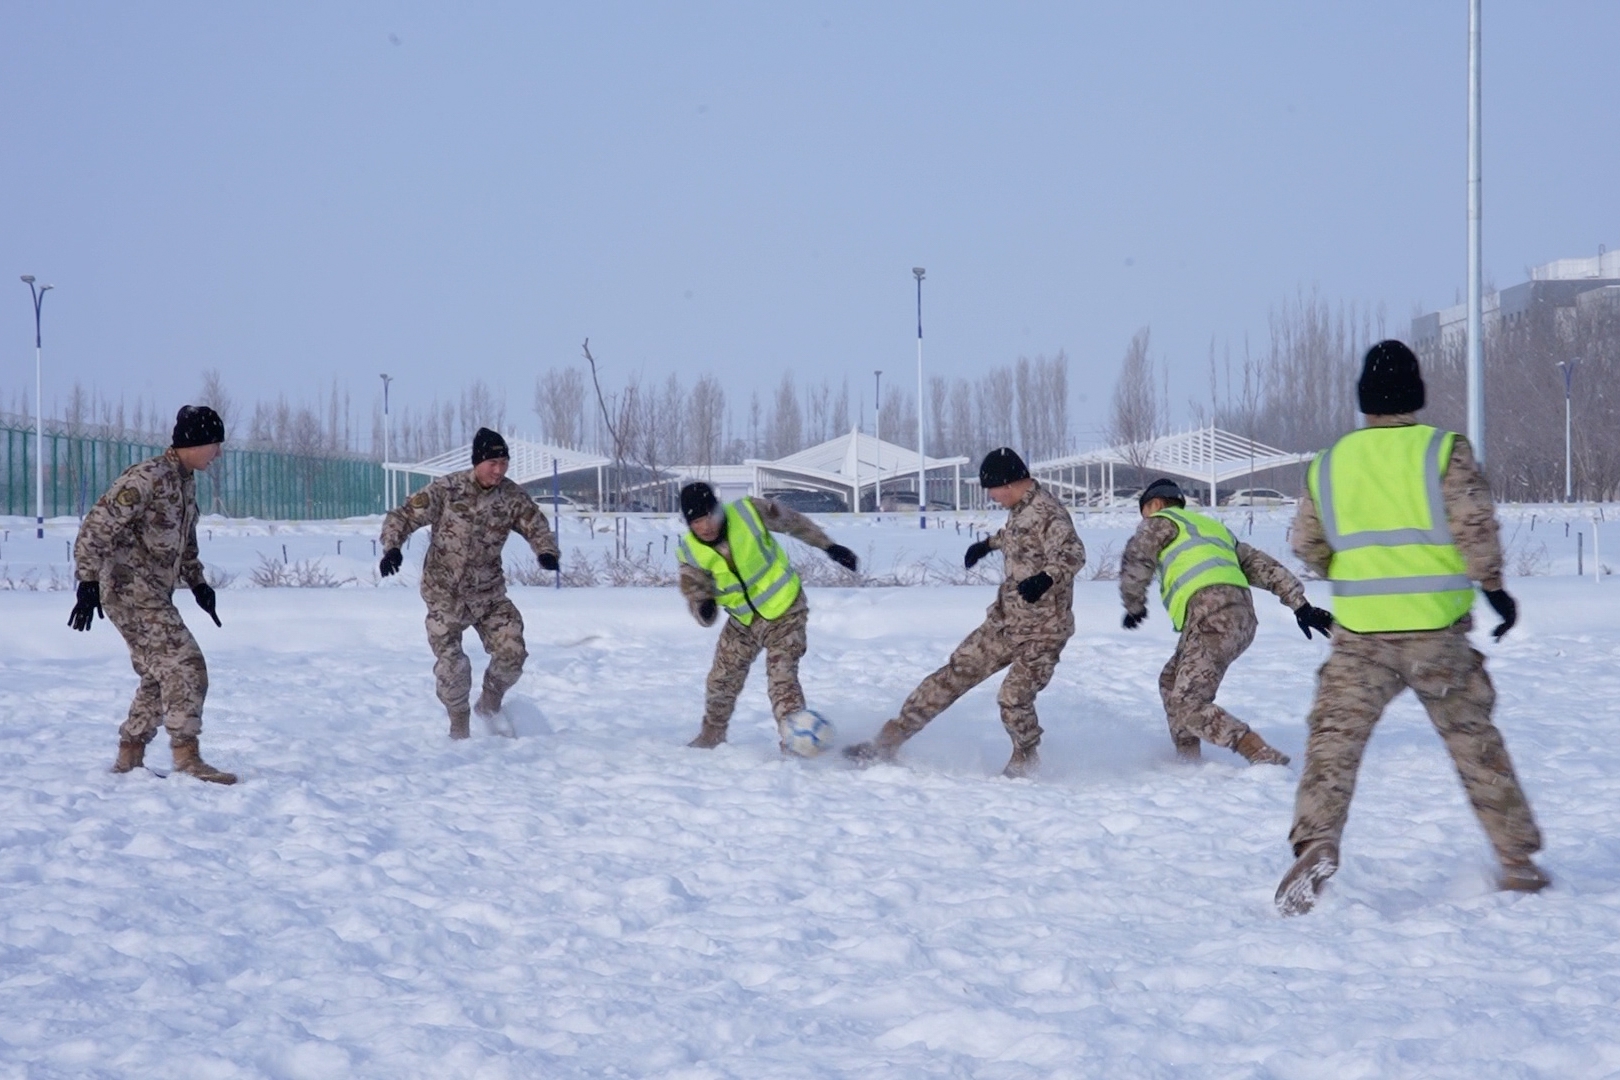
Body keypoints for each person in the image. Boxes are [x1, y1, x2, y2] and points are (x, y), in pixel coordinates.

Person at [1275, 340, 1547, 916]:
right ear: (1416, 395)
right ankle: (1518, 861)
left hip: (1358, 637)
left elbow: (1306, 544)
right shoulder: (1443, 450)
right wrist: (1494, 588)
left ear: (1364, 400)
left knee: (1332, 745)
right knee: (1475, 744)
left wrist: (1350, 571)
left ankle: (1317, 841)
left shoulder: (1329, 463)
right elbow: (1474, 525)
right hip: (1436, 635)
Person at [844, 448, 1085, 777]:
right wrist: (987, 544)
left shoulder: (1049, 512)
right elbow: (1020, 537)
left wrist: (1045, 579)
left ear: (1009, 483)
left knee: (1013, 697)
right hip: (1004, 623)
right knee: (951, 675)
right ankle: (888, 741)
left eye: (992, 490)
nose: (991, 497)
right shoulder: (1021, 509)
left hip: (1043, 631)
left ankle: (1026, 759)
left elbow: (1073, 554)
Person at [70, 405, 235, 784]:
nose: (218, 453)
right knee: (186, 665)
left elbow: (184, 541)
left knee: (161, 673)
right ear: (194, 443)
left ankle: (130, 756)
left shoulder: (184, 481)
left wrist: (198, 583)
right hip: (128, 592)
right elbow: (97, 527)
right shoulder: (148, 477)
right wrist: (88, 583)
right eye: (215, 445)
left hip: (154, 593)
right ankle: (187, 757)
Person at [1119, 477, 1333, 766]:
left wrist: (1134, 605)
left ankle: (1259, 753)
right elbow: (1263, 566)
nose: (1143, 519)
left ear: (1155, 504)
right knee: (1171, 681)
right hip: (1238, 619)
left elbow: (1137, 557)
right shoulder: (1213, 529)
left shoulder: (1159, 521)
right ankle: (1187, 758)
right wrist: (1300, 605)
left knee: (1188, 702)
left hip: (1211, 615)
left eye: (1143, 511)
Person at [378, 427, 559, 739]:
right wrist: (392, 547)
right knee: (454, 668)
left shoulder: (511, 496)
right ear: (478, 461)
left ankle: (489, 706)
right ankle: (459, 728)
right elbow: (403, 516)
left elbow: (536, 524)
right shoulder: (447, 490)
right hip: (445, 595)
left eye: (504, 462)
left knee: (512, 651)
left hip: (489, 594)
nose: (499, 469)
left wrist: (545, 552)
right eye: (493, 463)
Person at [676, 481, 859, 750]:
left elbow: (793, 522)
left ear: (718, 510)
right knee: (720, 680)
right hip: (743, 621)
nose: (706, 526)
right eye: (697, 521)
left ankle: (795, 740)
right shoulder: (690, 550)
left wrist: (828, 546)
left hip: (785, 609)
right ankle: (711, 734)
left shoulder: (749, 511)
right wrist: (703, 606)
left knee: (782, 677)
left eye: (709, 516)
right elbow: (693, 590)